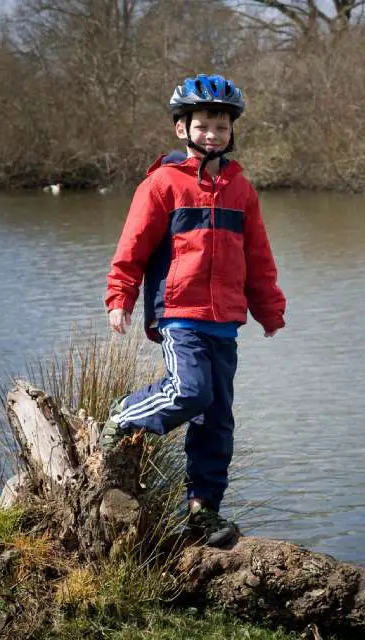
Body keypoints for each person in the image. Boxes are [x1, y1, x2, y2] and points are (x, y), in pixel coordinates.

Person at [102, 73, 286, 547]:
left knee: (217, 418)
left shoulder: (240, 190)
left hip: (224, 321)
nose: (213, 135)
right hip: (178, 315)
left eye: (222, 128)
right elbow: (133, 246)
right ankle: (125, 413)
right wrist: (119, 296)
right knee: (191, 392)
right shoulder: (163, 184)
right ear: (182, 129)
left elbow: (258, 256)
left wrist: (268, 308)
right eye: (203, 125)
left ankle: (202, 512)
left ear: (232, 132)